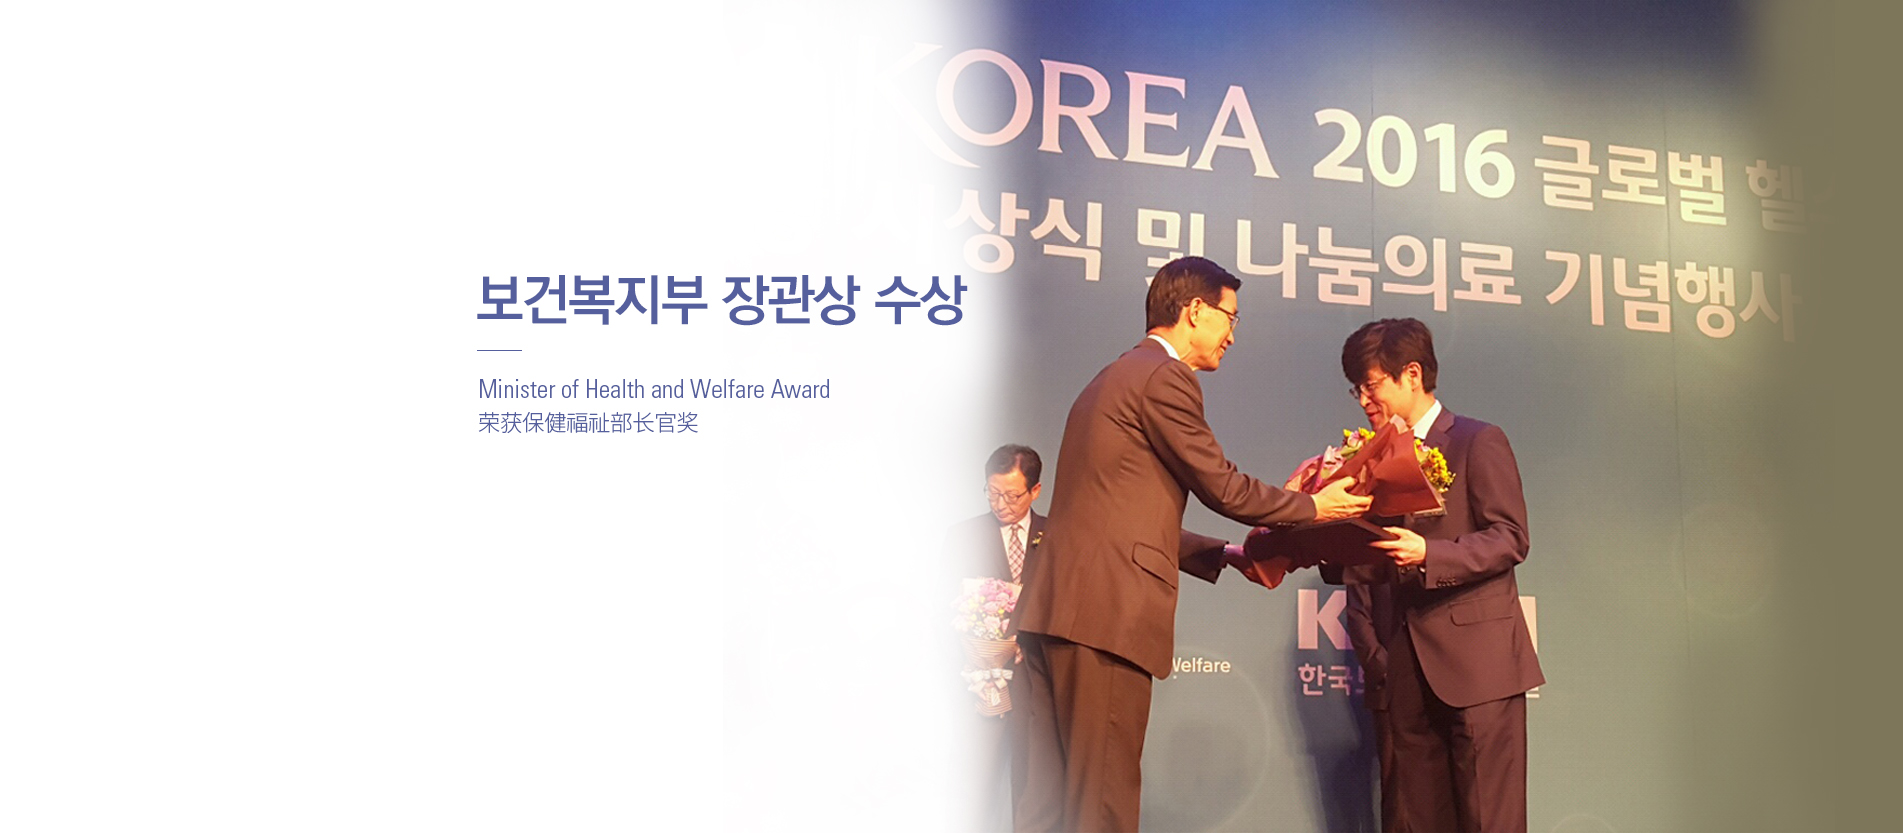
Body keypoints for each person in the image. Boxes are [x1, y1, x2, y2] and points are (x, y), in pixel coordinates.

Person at [1013, 256, 1371, 832]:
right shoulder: (1164, 376)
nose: (1233, 334)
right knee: (1100, 806)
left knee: (1049, 810)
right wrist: (1315, 507)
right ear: (1195, 310)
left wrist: (1221, 555)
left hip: (1056, 614)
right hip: (1104, 619)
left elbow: (1111, 514)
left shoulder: (1112, 377)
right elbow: (1221, 485)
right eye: (1231, 317)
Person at [1324, 318, 1545, 833]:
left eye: (1370, 385)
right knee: (1420, 819)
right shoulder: (1370, 457)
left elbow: (1510, 536)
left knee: (1489, 818)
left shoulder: (1477, 440)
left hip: (1478, 667)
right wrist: (1317, 536)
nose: (1363, 399)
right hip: (1406, 668)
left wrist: (1430, 553)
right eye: (1356, 389)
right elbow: (1367, 556)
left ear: (1412, 374)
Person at [942, 444, 1048, 829]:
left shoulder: (1057, 536)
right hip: (979, 687)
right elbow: (942, 604)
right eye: (993, 493)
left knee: (1035, 795)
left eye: (1012, 495)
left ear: (1035, 491)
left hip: (1038, 685)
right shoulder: (963, 536)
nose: (1001, 504)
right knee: (973, 793)